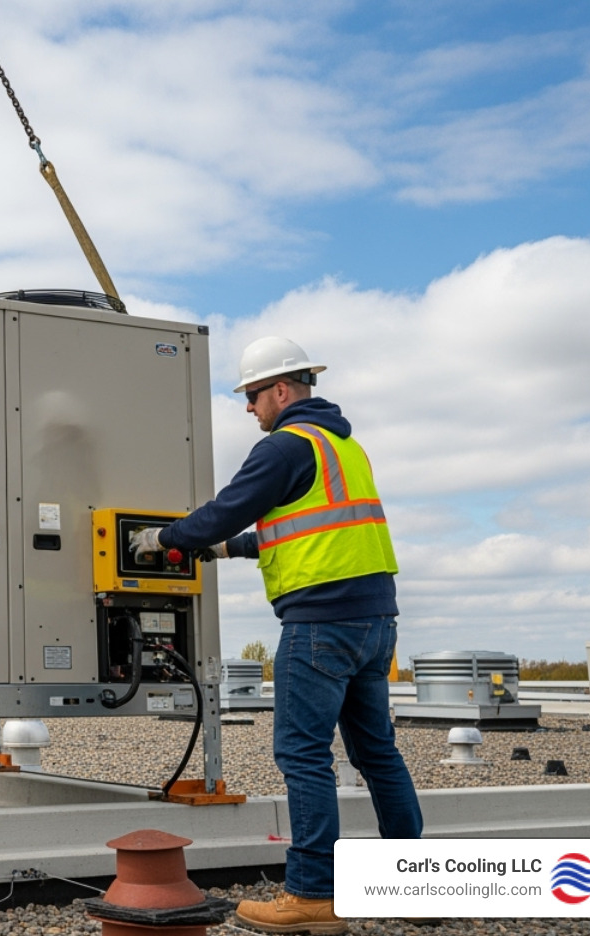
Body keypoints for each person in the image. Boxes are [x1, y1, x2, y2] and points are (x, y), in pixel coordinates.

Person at [129, 337, 421, 936]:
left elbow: (226, 508)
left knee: (302, 754)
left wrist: (165, 540)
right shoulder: (343, 445)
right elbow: (309, 529)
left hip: (320, 622)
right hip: (374, 622)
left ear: (282, 391)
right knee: (377, 753)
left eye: (253, 395)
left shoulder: (285, 445)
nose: (249, 408)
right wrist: (230, 547)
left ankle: (313, 895)